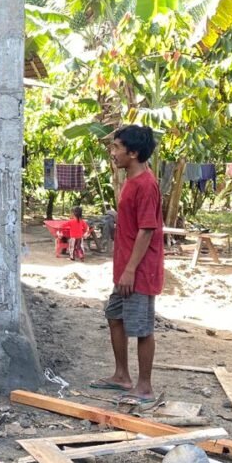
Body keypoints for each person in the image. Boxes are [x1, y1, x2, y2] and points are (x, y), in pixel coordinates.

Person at [90, 125, 164, 403]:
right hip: (126, 268)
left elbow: (147, 229)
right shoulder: (132, 181)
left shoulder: (145, 185)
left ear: (133, 153)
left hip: (140, 270)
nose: (113, 152)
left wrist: (131, 270)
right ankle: (122, 376)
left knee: (142, 328)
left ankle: (144, 386)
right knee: (114, 315)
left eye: (117, 147)